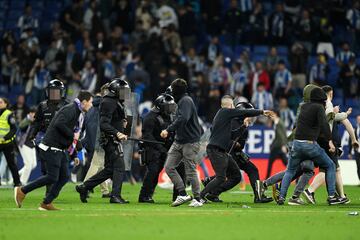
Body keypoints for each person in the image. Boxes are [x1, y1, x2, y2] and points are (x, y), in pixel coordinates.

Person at [14, 91, 93, 210]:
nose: (91, 105)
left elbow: (71, 133)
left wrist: (75, 152)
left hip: (60, 148)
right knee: (52, 177)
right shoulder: (71, 109)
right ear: (84, 102)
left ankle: (46, 202)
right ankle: (22, 190)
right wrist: (72, 137)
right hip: (51, 146)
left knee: (64, 176)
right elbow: (59, 124)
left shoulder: (77, 111)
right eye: (90, 102)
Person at [200, 95, 273, 203]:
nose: (235, 108)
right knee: (222, 177)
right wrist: (262, 112)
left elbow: (232, 135)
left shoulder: (225, 117)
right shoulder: (225, 112)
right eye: (233, 105)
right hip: (218, 150)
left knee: (235, 176)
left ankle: (211, 186)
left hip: (223, 152)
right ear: (230, 105)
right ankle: (201, 195)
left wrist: (243, 127)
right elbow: (244, 114)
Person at [277, 87, 344, 205]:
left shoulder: (303, 106)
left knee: (290, 170)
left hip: (296, 144)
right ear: (321, 99)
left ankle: (281, 197)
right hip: (310, 145)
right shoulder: (318, 107)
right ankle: (332, 196)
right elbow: (324, 125)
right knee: (330, 165)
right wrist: (330, 141)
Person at [76, 77, 131, 204]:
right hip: (110, 140)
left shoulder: (115, 101)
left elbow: (111, 120)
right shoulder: (109, 102)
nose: (125, 94)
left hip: (112, 139)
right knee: (119, 167)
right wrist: (118, 133)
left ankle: (84, 187)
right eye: (123, 91)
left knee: (109, 169)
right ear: (116, 90)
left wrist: (122, 124)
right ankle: (115, 196)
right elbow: (104, 124)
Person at [160, 78, 204, 207]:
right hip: (179, 140)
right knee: (168, 167)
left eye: (172, 89)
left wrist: (168, 130)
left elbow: (183, 118)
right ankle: (183, 194)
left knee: (190, 170)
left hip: (190, 141)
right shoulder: (182, 100)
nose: (171, 91)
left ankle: (198, 198)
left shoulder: (186, 101)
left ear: (176, 90)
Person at [27, 79, 68, 194]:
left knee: (60, 168)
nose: (55, 94)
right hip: (44, 138)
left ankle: (52, 190)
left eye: (57, 91)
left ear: (62, 92)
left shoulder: (66, 105)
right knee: (45, 167)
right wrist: (32, 134)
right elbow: (37, 122)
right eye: (52, 91)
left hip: (61, 139)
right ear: (48, 92)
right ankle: (49, 191)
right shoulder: (42, 105)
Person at [138, 94, 177, 203]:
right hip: (152, 149)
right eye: (168, 107)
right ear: (161, 106)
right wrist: (161, 148)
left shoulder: (167, 116)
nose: (171, 109)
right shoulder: (150, 117)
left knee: (156, 172)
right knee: (153, 172)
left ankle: (147, 195)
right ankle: (144, 196)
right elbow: (147, 136)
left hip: (163, 149)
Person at [0, 97, 21, 187]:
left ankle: (17, 183)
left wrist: (5, 138)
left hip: (7, 143)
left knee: (11, 163)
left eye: (0, 102)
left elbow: (14, 129)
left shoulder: (9, 114)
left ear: (6, 104)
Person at [266, 110, 288, 179]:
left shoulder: (278, 123)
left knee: (270, 163)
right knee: (286, 164)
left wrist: (284, 145)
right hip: (278, 146)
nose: (270, 117)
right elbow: (278, 136)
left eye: (271, 115)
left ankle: (266, 179)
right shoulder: (278, 122)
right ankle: (296, 176)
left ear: (275, 114)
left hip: (278, 147)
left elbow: (282, 135)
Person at [18, 107, 38, 184]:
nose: (34, 115)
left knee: (34, 165)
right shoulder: (26, 120)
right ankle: (22, 182)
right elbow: (21, 126)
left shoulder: (37, 121)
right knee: (28, 165)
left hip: (32, 144)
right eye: (33, 113)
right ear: (30, 113)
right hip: (24, 144)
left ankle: (17, 175)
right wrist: (29, 119)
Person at [349, 115, 360, 183]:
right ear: (356, 120)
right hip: (357, 151)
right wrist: (350, 152)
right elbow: (351, 141)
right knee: (358, 167)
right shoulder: (354, 129)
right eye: (358, 119)